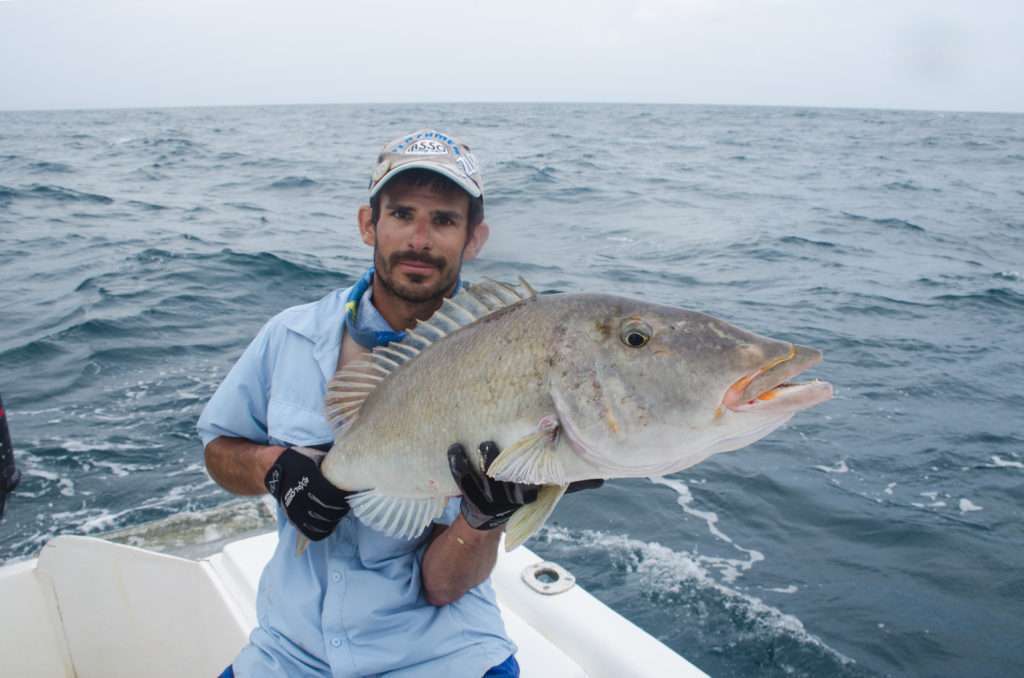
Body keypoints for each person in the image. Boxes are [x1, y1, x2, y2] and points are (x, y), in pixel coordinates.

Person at [198, 130, 597, 678]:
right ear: (369, 223)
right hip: (286, 654)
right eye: (403, 213)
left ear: (474, 238)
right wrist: (273, 469)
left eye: (444, 220)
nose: (419, 238)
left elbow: (442, 586)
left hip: (440, 657)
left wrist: (483, 518)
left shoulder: (511, 362)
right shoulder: (288, 335)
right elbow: (219, 448)